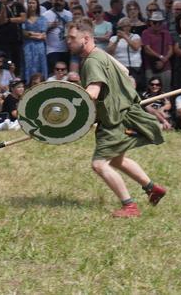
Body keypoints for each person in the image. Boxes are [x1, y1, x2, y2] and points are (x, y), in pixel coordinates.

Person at [67, 18, 166, 218]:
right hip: (122, 115)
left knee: (100, 164)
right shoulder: (100, 55)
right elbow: (124, 71)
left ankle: (129, 206)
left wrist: (70, 113)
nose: (68, 42)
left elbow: (93, 92)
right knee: (117, 160)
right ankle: (152, 188)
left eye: (71, 38)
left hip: (116, 120)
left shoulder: (92, 61)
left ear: (85, 39)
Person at [106, 18, 143, 91]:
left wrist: (125, 37)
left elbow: (135, 47)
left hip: (134, 67)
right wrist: (117, 40)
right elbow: (109, 52)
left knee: (134, 88)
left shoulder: (135, 36)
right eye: (123, 26)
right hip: (120, 66)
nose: (126, 28)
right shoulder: (113, 38)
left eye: (128, 26)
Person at [142, 11, 174, 92]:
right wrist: (160, 57)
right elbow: (147, 49)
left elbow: (170, 49)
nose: (157, 25)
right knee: (151, 91)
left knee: (165, 92)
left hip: (165, 67)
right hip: (150, 66)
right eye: (155, 22)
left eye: (159, 23)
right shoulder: (146, 33)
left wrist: (164, 60)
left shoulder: (166, 33)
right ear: (150, 22)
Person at [22, 0, 48, 81]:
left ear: (37, 5)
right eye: (29, 3)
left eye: (33, 3)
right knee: (28, 64)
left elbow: (43, 35)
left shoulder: (42, 18)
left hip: (39, 46)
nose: (31, 5)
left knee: (40, 64)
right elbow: (23, 33)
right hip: (27, 46)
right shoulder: (24, 18)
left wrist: (29, 33)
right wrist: (37, 35)